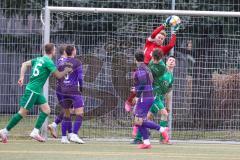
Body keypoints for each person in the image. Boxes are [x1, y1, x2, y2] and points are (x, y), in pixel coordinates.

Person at [0, 43, 72, 143]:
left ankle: (35, 132)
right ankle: (5, 131)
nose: (55, 51)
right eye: (54, 50)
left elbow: (24, 64)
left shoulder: (39, 59)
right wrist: (67, 70)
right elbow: (59, 75)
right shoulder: (48, 62)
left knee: (46, 110)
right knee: (22, 112)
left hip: (37, 91)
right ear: (51, 51)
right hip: (33, 90)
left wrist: (21, 77)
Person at [125, 15, 179, 112]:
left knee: (145, 91)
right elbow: (153, 34)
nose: (160, 39)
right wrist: (164, 25)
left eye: (162, 39)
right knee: (140, 85)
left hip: (152, 72)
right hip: (141, 68)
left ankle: (137, 105)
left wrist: (174, 32)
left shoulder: (162, 49)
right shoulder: (149, 43)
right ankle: (130, 101)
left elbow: (171, 45)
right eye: (159, 37)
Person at [133, 51, 176, 144]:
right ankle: (163, 138)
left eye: (173, 61)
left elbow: (168, 92)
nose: (171, 61)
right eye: (170, 60)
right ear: (166, 62)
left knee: (148, 117)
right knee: (164, 114)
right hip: (153, 95)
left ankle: (139, 138)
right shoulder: (160, 69)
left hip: (159, 97)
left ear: (175, 64)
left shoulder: (171, 77)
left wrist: (168, 106)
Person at [55, 45, 84, 144]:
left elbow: (58, 76)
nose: (76, 51)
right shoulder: (77, 62)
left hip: (63, 90)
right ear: (73, 51)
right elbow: (80, 78)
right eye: (75, 49)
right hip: (74, 90)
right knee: (79, 113)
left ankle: (63, 137)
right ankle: (74, 135)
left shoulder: (61, 62)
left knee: (67, 113)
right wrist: (81, 88)